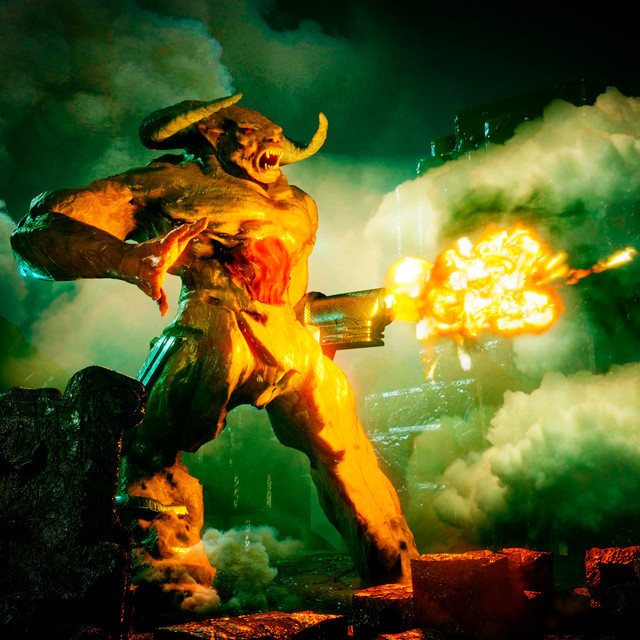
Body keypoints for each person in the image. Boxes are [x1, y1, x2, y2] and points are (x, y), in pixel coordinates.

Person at [11, 93, 418, 593]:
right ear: (212, 134)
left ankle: (398, 576)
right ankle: (172, 587)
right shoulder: (167, 184)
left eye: (274, 135)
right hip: (213, 328)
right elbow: (36, 232)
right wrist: (127, 259)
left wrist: (327, 315)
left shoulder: (298, 202)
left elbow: (289, 282)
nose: (272, 143)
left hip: (289, 339)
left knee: (345, 453)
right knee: (146, 453)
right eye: (251, 134)